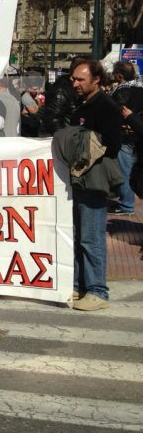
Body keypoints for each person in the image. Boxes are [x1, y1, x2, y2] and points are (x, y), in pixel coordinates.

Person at [63, 60, 122, 311]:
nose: (75, 83)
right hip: (80, 177)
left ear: (96, 80)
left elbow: (113, 142)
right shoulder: (84, 103)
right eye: (73, 79)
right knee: (77, 235)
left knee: (91, 236)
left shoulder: (105, 106)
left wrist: (82, 140)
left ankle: (98, 290)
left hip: (94, 178)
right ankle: (79, 285)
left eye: (80, 79)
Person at [109, 60, 143, 215]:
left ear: (119, 75)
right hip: (139, 134)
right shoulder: (140, 88)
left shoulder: (121, 91)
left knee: (124, 170)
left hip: (126, 136)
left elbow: (116, 112)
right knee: (133, 170)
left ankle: (127, 204)